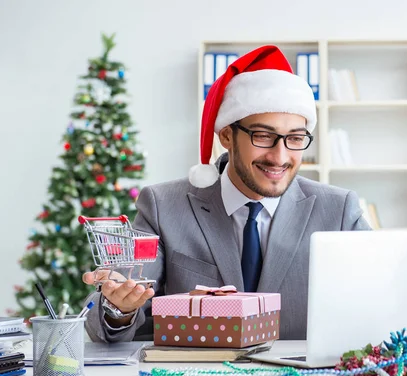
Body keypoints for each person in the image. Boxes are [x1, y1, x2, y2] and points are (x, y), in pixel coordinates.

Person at [82, 45, 371, 343]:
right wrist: (119, 308)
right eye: (263, 136)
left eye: (295, 138)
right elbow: (113, 310)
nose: (279, 156)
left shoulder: (339, 211)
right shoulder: (163, 206)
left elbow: (380, 295)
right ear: (227, 136)